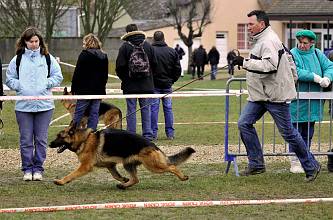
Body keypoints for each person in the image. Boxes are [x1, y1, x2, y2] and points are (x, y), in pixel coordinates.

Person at [232, 10, 321, 182]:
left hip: (275, 95)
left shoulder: (269, 40)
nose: (248, 27)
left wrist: (244, 62)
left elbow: (269, 65)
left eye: (251, 24)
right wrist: (243, 61)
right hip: (260, 95)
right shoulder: (262, 39)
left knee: (288, 133)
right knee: (244, 123)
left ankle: (311, 165)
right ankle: (257, 164)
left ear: (262, 24)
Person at [5, 27, 63, 181]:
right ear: (25, 41)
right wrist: (20, 86)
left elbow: (58, 76)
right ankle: (27, 169)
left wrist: (46, 83)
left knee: (41, 140)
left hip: (45, 106)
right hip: (23, 106)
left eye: (36, 41)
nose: (34, 44)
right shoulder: (17, 59)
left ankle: (38, 169)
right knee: (25, 140)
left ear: (40, 41)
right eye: (31, 41)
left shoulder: (48, 58)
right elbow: (9, 78)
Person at [289, 30, 333, 173]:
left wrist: (327, 77)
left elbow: (330, 66)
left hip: (313, 101)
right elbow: (296, 70)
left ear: (312, 43)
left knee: (308, 132)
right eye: (300, 42)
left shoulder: (318, 54)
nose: (302, 45)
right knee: (295, 132)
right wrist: (315, 77)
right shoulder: (292, 53)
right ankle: (294, 161)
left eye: (305, 43)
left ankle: (305, 159)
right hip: (297, 100)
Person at [116, 23, 156, 141]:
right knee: (146, 109)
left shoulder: (124, 47)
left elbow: (119, 67)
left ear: (127, 33)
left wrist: (125, 78)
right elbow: (155, 64)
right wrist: (149, 77)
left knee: (131, 110)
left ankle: (131, 135)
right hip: (146, 84)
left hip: (130, 85)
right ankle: (147, 135)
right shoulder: (148, 46)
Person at [71, 33, 108, 130]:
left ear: (87, 43)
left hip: (84, 91)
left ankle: (73, 133)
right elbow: (105, 75)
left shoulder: (84, 55)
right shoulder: (104, 56)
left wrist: (73, 88)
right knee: (94, 113)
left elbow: (77, 73)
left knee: (79, 113)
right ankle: (92, 134)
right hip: (98, 91)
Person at [151, 31, 181, 140]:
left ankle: (153, 133)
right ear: (164, 38)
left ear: (154, 39)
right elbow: (177, 69)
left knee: (154, 109)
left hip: (154, 85)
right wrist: (172, 80)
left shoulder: (150, 51)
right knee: (168, 109)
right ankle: (170, 133)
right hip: (167, 84)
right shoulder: (172, 52)